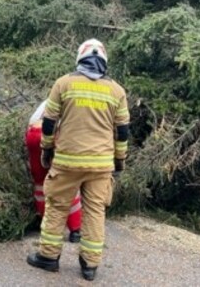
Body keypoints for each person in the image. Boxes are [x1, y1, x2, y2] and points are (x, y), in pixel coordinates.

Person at [26, 39, 129, 281]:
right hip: (101, 164)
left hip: (67, 161)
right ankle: (90, 265)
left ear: (79, 59)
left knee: (57, 206)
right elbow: (122, 131)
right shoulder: (117, 90)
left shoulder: (64, 83)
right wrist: (119, 160)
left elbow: (49, 122)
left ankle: (49, 257)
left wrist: (46, 149)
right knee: (95, 211)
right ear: (104, 62)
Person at [25, 101, 82, 243]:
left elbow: (32, 121)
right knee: (68, 182)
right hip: (54, 135)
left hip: (33, 133)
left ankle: (44, 223)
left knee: (40, 183)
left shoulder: (49, 100)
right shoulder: (75, 103)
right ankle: (75, 230)